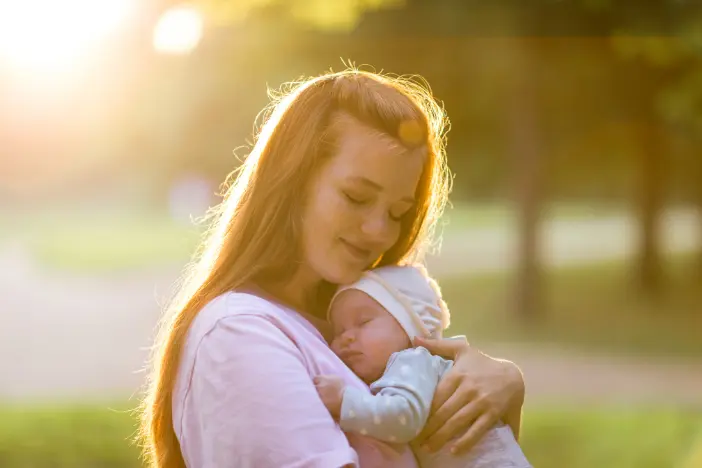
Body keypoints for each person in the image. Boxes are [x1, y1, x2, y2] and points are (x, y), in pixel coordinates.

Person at [139, 69, 526, 468]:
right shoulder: (239, 334)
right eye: (356, 197)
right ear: (292, 180)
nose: (379, 232)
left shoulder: (358, 327)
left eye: (397, 213)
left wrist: (502, 383)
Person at [314, 264, 532, 468]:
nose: (347, 338)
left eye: (363, 322)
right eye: (338, 331)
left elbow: (403, 418)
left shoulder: (412, 360)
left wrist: (344, 401)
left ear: (413, 328)